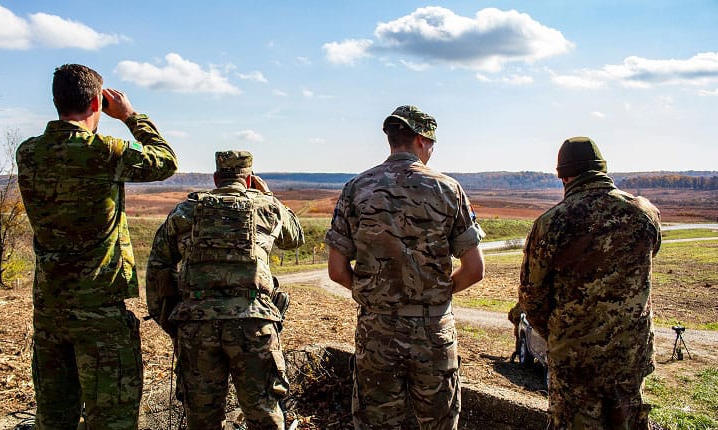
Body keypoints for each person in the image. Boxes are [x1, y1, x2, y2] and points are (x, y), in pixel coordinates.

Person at [16, 63, 178, 429]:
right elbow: (165, 161)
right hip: (100, 311)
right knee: (112, 420)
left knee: (54, 418)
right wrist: (131, 116)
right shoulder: (103, 151)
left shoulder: (27, 152)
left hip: (50, 309)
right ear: (96, 102)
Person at [325, 105, 486, 430]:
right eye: (432, 143)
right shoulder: (448, 189)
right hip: (434, 333)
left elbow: (336, 270)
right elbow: (474, 269)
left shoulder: (356, 188)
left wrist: (374, 296)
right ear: (420, 140)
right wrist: (436, 294)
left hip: (377, 333)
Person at [146, 150, 305, 429]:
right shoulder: (267, 207)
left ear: (217, 177)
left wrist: (170, 318)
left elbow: (159, 267)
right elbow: (295, 239)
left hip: (196, 326)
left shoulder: (186, 211)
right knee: (264, 412)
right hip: (253, 325)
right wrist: (269, 195)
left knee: (202, 417)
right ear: (250, 179)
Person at [518, 137, 661, 429]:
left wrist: (562, 332)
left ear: (565, 176)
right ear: (602, 169)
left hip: (575, 359)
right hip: (629, 355)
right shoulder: (645, 213)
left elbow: (532, 299)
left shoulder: (551, 223)